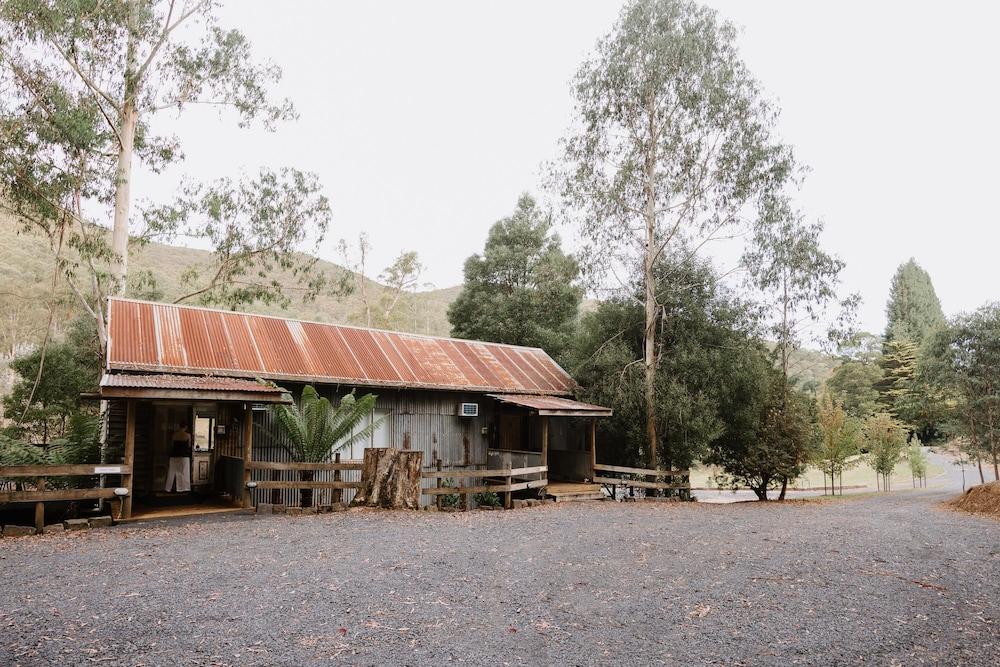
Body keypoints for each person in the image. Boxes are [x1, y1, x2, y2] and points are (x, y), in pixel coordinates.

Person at [165, 422, 192, 493]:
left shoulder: (174, 435)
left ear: (179, 426)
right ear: (186, 427)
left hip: (174, 455)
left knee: (171, 472)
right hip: (184, 456)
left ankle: (168, 488)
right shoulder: (188, 435)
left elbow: (172, 445)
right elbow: (189, 445)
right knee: (183, 472)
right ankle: (182, 488)